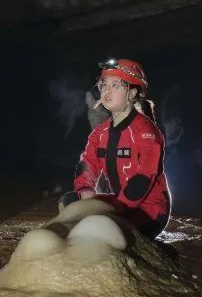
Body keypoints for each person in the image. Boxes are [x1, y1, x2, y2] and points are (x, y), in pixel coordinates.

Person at [60, 58, 171, 239]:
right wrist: (85, 190)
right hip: (121, 205)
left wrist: (116, 209)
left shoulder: (146, 131)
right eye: (104, 85)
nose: (107, 91)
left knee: (103, 229)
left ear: (132, 93)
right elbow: (87, 163)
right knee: (70, 201)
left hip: (149, 211)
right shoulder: (100, 133)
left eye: (115, 85)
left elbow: (143, 178)